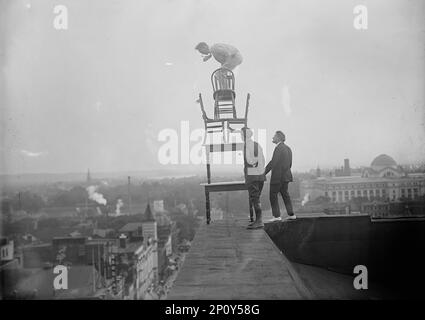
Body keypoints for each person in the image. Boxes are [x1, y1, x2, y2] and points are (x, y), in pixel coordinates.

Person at [264, 131, 296, 222]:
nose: (272, 138)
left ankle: (277, 216)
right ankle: (291, 214)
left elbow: (273, 162)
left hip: (277, 177)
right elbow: (290, 164)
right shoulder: (288, 148)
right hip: (286, 176)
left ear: (278, 138)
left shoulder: (278, 148)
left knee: (273, 195)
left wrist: (263, 173)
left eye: (274, 136)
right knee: (285, 195)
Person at [240, 127, 266, 229]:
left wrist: (253, 165)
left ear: (244, 135)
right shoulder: (257, 144)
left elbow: (249, 161)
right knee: (257, 198)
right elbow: (263, 160)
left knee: (255, 199)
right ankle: (258, 220)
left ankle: (259, 221)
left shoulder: (246, 146)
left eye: (241, 134)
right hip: (260, 175)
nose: (241, 136)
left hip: (252, 176)